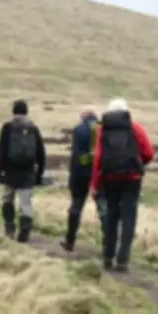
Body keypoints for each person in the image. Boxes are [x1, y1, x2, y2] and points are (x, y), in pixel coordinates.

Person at [91, 98, 155, 272]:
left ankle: (108, 256)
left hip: (110, 178)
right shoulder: (136, 128)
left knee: (111, 217)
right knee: (129, 219)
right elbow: (149, 153)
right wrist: (138, 164)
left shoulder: (103, 130)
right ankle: (123, 259)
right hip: (131, 178)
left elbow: (98, 158)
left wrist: (95, 183)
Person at [0, 99, 46, 243]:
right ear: (26, 111)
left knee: (7, 199)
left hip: (10, 171)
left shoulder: (7, 127)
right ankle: (25, 229)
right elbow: (41, 153)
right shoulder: (33, 128)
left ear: (13, 111)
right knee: (26, 203)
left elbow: (1, 151)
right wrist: (39, 173)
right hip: (28, 173)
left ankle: (9, 227)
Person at [60, 106, 107, 252]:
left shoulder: (79, 130)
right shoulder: (103, 129)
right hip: (99, 175)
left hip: (80, 175)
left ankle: (70, 240)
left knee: (76, 207)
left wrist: (72, 178)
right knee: (103, 209)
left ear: (83, 117)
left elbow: (76, 157)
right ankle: (109, 244)